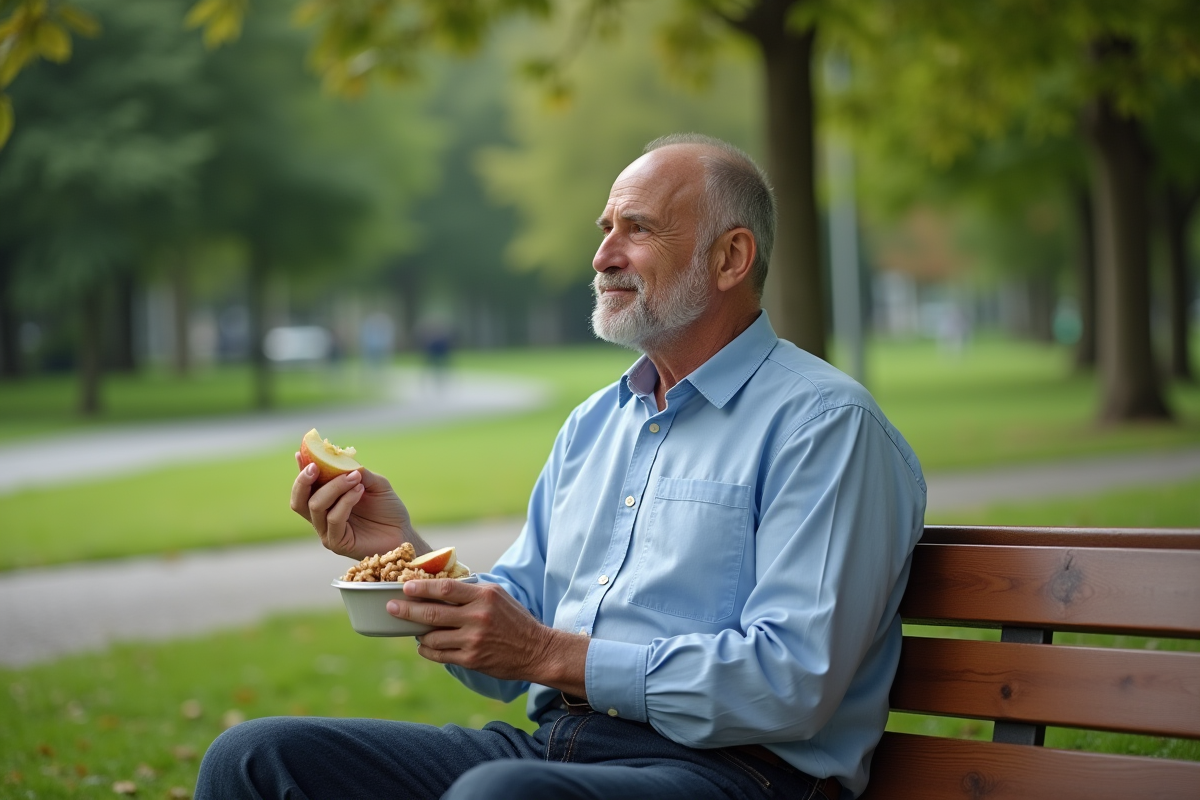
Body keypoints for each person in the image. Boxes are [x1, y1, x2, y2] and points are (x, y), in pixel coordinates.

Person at [196, 133, 926, 800]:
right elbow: (505, 643)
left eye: (636, 229)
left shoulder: (826, 427)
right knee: (255, 759)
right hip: (558, 749)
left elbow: (789, 684)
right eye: (605, 229)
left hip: (737, 774)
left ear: (730, 258)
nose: (603, 255)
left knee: (502, 797)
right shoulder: (595, 425)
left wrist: (550, 654)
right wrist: (404, 555)